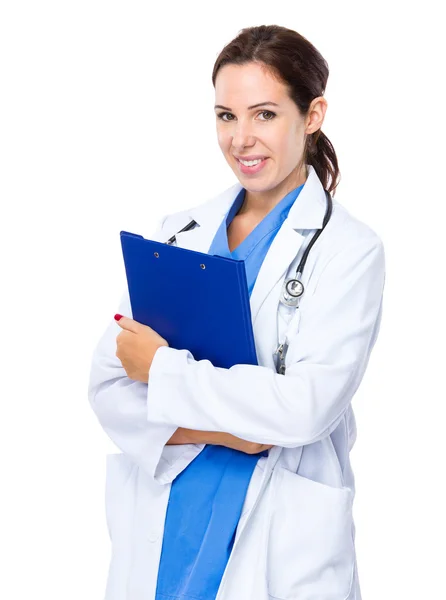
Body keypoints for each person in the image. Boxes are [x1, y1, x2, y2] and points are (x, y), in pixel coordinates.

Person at [88, 24, 386, 600]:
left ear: (314, 113)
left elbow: (305, 409)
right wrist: (235, 429)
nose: (242, 139)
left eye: (265, 114)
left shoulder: (349, 250)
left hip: (278, 536)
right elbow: (109, 381)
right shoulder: (180, 232)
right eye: (226, 116)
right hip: (169, 511)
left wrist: (165, 374)